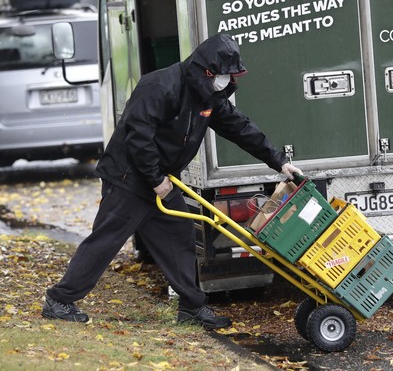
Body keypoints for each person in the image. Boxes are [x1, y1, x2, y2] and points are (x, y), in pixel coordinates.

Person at [41, 34, 302, 329]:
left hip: (160, 180)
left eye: (229, 76)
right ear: (206, 70)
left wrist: (278, 161)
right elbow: (138, 135)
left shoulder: (208, 96)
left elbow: (240, 128)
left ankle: (192, 307)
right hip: (129, 178)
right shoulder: (159, 86)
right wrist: (155, 180)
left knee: (178, 235)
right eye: (222, 75)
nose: (225, 81)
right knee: (106, 240)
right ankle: (59, 300)